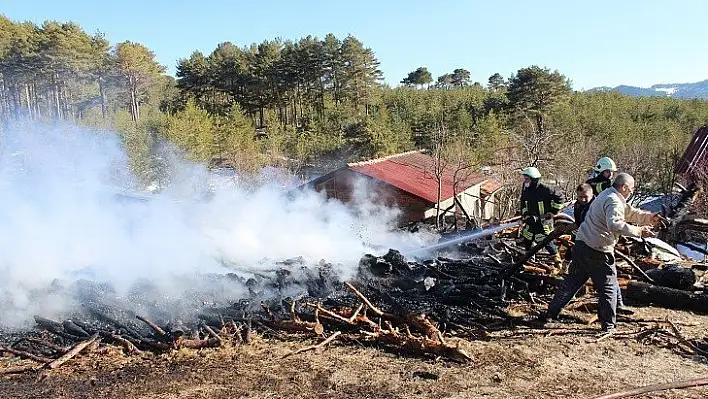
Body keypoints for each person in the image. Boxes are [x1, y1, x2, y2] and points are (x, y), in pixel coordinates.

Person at [543, 173, 664, 332]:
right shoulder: (613, 200)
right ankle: (608, 326)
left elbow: (629, 212)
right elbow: (615, 224)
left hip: (581, 245)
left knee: (571, 283)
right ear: (624, 187)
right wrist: (639, 231)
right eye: (631, 188)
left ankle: (550, 314)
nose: (632, 191)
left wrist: (650, 218)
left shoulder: (608, 195)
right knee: (608, 288)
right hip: (597, 251)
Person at [519, 167, 566, 266]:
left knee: (546, 242)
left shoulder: (546, 189)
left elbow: (560, 198)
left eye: (527, 179)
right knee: (527, 239)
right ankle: (530, 261)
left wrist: (553, 212)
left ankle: (558, 263)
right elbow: (523, 203)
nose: (525, 181)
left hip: (543, 223)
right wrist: (526, 215)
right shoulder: (526, 188)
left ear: (534, 179)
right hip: (531, 222)